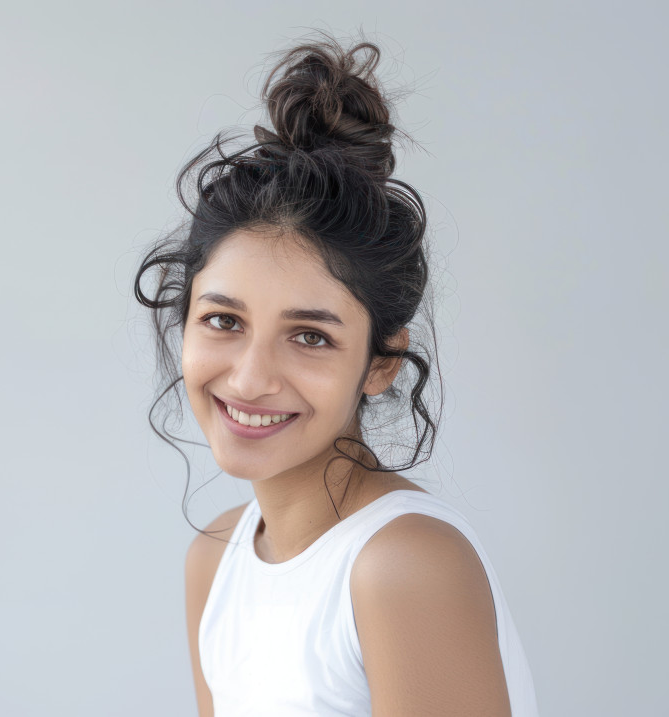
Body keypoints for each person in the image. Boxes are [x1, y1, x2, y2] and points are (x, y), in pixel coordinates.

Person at [133, 31, 539, 717]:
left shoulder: (401, 565)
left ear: (381, 361)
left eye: (309, 336)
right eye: (224, 321)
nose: (252, 377)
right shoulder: (215, 560)